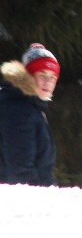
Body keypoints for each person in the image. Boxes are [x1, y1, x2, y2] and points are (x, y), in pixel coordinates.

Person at [0, 43, 60, 186]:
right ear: (28, 77)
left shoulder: (29, 107)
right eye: (42, 74)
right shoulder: (18, 110)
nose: (48, 82)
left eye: (53, 77)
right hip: (24, 201)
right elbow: (20, 171)